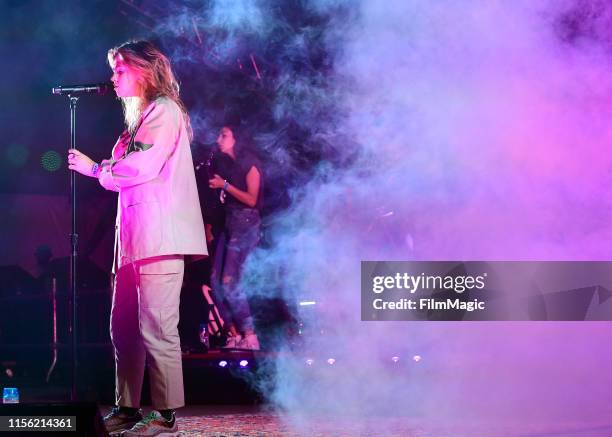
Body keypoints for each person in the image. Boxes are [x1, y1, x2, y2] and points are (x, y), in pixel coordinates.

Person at [67, 40, 207, 437]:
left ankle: (164, 414)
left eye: (120, 70)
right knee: (124, 327)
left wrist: (97, 170)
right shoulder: (140, 117)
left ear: (144, 72)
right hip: (133, 238)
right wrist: (107, 169)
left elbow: (139, 167)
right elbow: (123, 168)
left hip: (159, 235)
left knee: (157, 326)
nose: (113, 78)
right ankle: (126, 407)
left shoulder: (163, 111)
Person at [207, 125, 263, 350]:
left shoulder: (250, 163)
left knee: (230, 282)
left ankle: (250, 335)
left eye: (224, 135)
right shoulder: (223, 164)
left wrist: (225, 186)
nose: (219, 139)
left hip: (246, 224)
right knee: (215, 282)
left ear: (237, 138)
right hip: (229, 224)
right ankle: (235, 334)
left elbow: (251, 200)